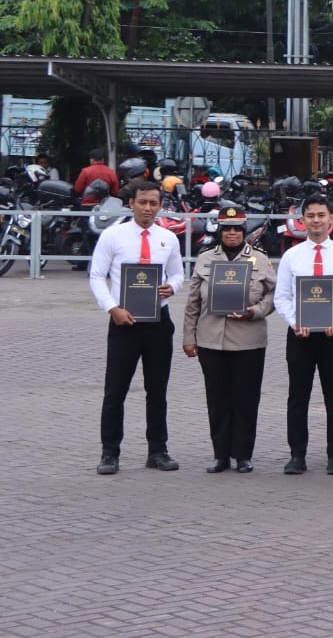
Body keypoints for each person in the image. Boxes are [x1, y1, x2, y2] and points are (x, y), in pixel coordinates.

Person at [90, 180, 184, 475]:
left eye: (153, 203)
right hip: (124, 322)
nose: (147, 208)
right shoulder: (113, 235)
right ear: (131, 203)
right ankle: (109, 453)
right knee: (115, 391)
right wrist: (112, 308)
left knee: (157, 391)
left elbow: (178, 274)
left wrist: (172, 287)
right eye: (142, 202)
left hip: (158, 322)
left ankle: (158, 451)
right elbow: (96, 276)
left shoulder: (168, 238)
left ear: (160, 206)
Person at [182, 205, 275, 473]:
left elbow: (273, 296)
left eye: (237, 229)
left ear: (244, 231)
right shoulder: (205, 259)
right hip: (211, 340)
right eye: (227, 229)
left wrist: (255, 311)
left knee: (246, 399)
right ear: (220, 231)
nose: (232, 233)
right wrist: (189, 337)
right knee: (217, 400)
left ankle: (243, 454)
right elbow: (192, 303)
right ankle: (220, 454)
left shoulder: (260, 260)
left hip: (249, 340)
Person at [274, 195, 333, 475]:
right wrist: (294, 321)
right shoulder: (292, 256)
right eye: (310, 215)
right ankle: (297, 455)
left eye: (321, 215)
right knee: (297, 397)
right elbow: (282, 297)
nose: (316, 220)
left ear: (331, 219)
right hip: (300, 336)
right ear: (302, 220)